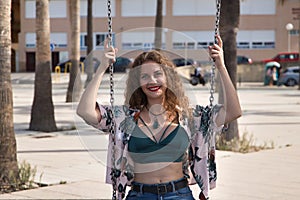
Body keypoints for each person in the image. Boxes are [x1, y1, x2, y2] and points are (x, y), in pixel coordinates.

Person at [77, 35, 242, 200]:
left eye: (158, 74)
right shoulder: (124, 118)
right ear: (138, 82)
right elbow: (85, 111)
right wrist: (102, 68)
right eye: (145, 77)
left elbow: (233, 112)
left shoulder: (191, 117)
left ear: (168, 77)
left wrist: (221, 65)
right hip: (140, 195)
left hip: (179, 195)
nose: (152, 81)